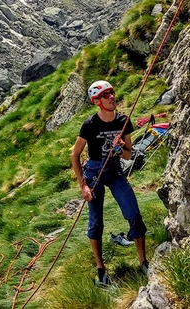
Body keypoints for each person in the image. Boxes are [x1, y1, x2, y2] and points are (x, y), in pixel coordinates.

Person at [71, 80, 148, 288]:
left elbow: (128, 155)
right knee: (96, 222)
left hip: (114, 170)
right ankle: (101, 269)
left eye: (112, 92)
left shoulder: (123, 121)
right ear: (97, 101)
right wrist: (83, 186)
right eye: (106, 95)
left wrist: (121, 146)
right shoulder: (90, 124)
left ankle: (143, 263)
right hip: (94, 172)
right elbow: (75, 154)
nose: (112, 96)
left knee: (134, 214)